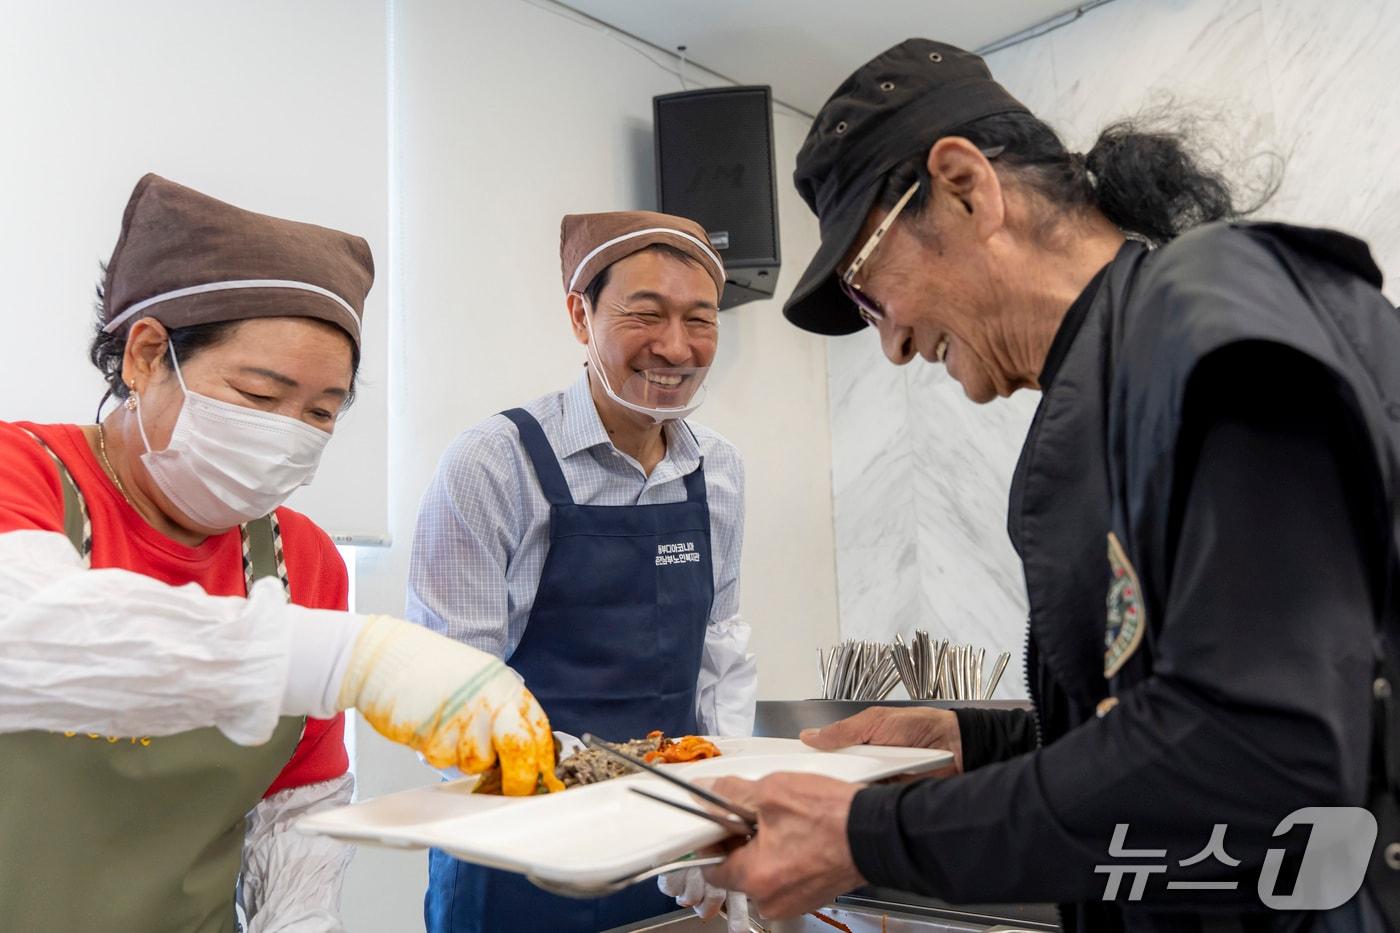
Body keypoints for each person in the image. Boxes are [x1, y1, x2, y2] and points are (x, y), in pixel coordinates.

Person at [699, 38, 1400, 932]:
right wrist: (973, 742)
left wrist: (870, 832)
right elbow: (1162, 717)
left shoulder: (1210, 306)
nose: (894, 345)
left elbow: (1254, 752)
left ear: (964, 186)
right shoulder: (1125, 364)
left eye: (873, 296)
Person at [0, 174, 560, 933]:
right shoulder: (22, 472)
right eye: (262, 396)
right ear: (145, 355)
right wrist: (355, 659)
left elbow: (297, 811)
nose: (289, 431)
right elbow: (32, 639)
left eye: (321, 412)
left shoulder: (300, 559)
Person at [409, 210, 756, 932]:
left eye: (701, 320)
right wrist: (597, 801)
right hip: (514, 859)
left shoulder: (716, 471)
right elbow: (453, 696)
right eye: (646, 313)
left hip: (667, 859)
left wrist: (723, 809)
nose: (676, 346)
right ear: (580, 315)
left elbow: (720, 654)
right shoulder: (493, 465)